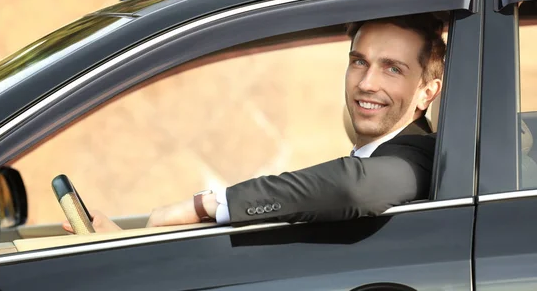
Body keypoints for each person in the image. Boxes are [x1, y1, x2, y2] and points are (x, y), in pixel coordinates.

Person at [63, 13, 446, 233]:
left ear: (428, 92)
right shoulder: (383, 156)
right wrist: (127, 244)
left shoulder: (420, 157)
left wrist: (204, 205)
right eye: (359, 61)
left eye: (392, 69)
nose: (366, 83)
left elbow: (352, 187)